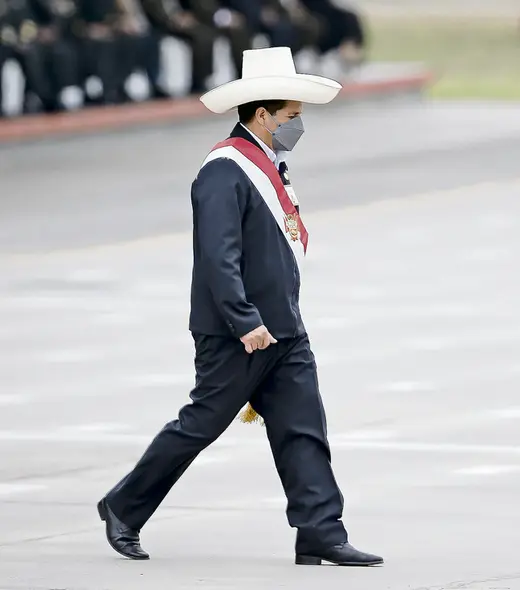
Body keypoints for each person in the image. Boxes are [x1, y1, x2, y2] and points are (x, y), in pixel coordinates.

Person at [97, 46, 384, 568]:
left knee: (304, 428)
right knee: (201, 424)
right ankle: (123, 505)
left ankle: (321, 531)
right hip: (238, 331)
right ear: (261, 114)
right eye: (292, 117)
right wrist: (244, 319)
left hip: (284, 329)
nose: (298, 126)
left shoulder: (271, 165)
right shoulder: (224, 171)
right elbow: (217, 256)